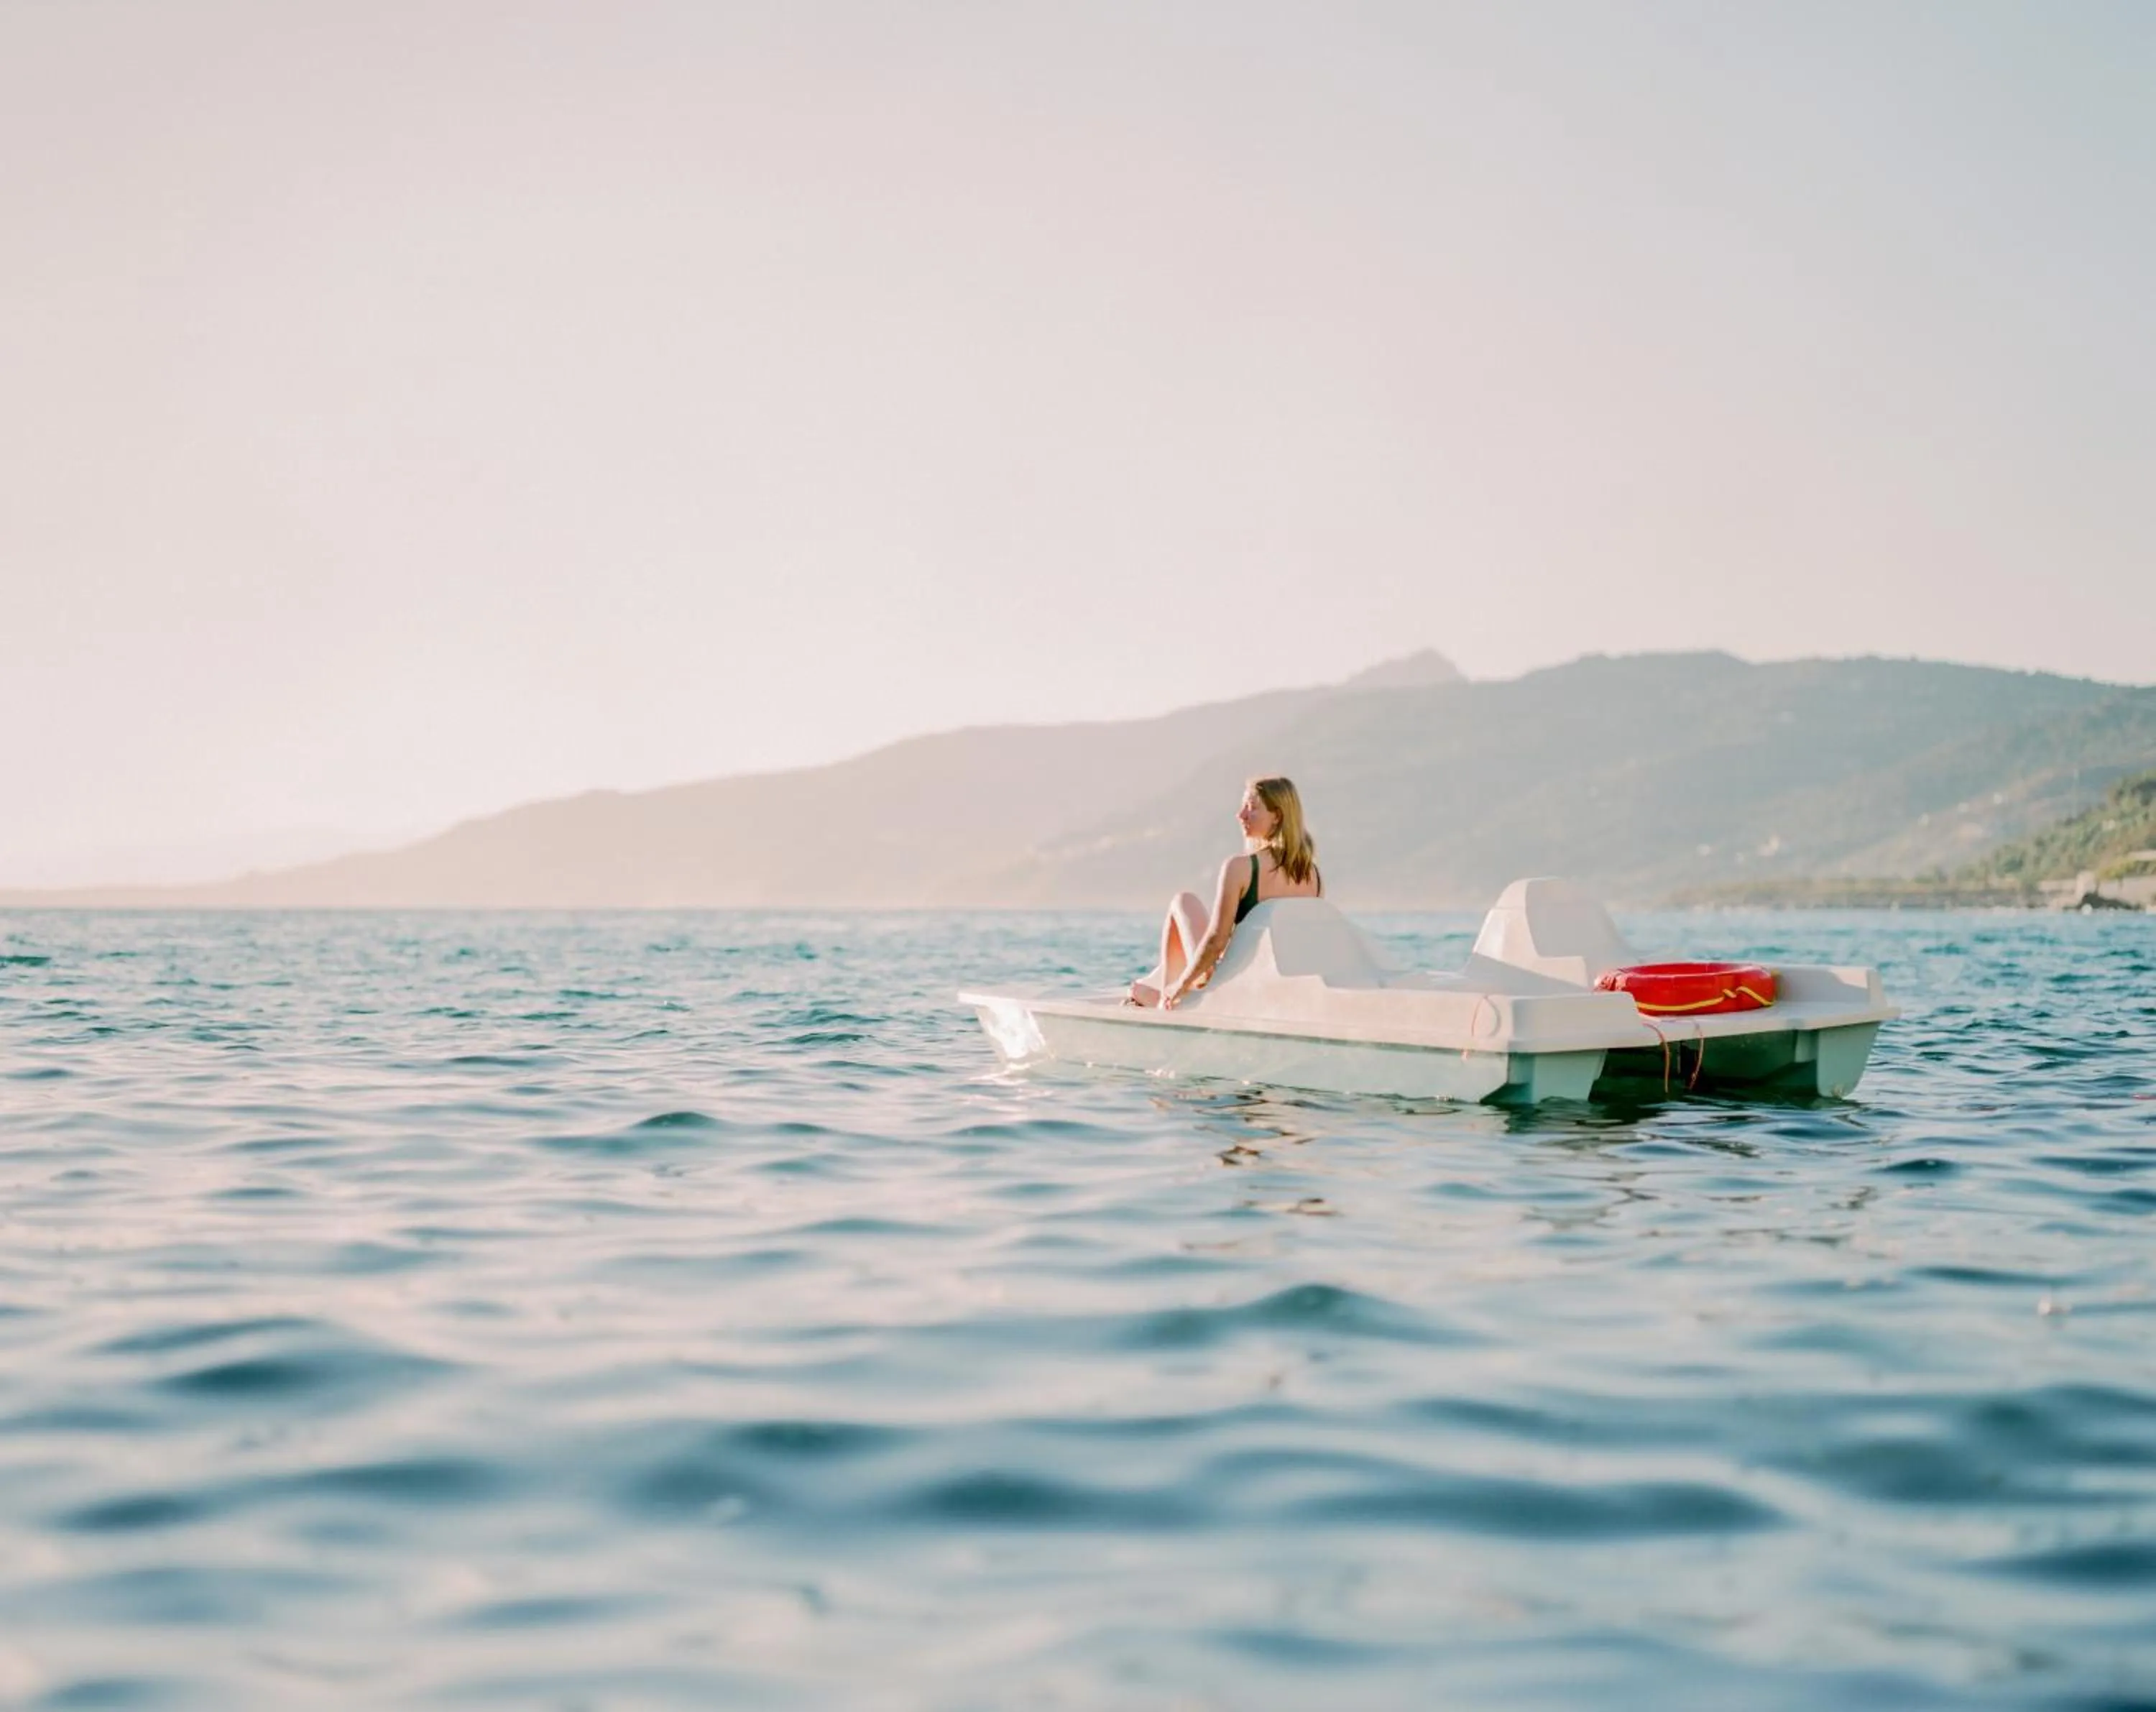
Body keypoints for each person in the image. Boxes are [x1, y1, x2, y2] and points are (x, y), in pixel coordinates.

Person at [1127, 776, 1323, 1009]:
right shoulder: (1314, 877)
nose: (1241, 815)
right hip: (1275, 987)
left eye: (1252, 807)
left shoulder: (1241, 868)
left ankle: (1167, 1000)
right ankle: (1163, 989)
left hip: (1234, 985)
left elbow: (1216, 942)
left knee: (1183, 901)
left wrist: (1180, 985)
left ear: (1277, 817)